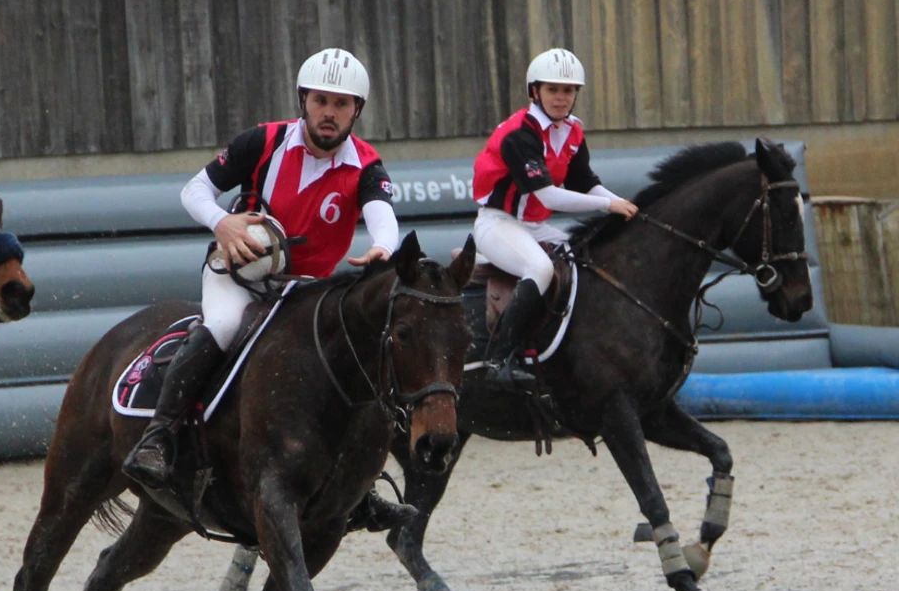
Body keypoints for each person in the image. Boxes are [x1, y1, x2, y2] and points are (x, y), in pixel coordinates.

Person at [124, 48, 411, 529]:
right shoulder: (262, 142)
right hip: (240, 276)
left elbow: (384, 220)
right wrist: (224, 224)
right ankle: (158, 438)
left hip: (307, 291)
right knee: (220, 325)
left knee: (353, 359)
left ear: (356, 111)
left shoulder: (366, 165)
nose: (329, 113)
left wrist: (383, 249)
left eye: (342, 104)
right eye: (321, 100)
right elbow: (193, 190)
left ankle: (359, 488)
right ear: (304, 100)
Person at [472, 47, 639, 389]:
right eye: (553, 90)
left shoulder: (573, 132)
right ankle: (499, 359)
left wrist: (623, 202)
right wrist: (609, 207)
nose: (561, 98)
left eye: (568, 91)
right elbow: (547, 195)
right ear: (535, 91)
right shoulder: (521, 134)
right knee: (542, 269)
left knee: (585, 261)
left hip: (533, 226)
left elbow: (585, 182)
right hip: (498, 224)